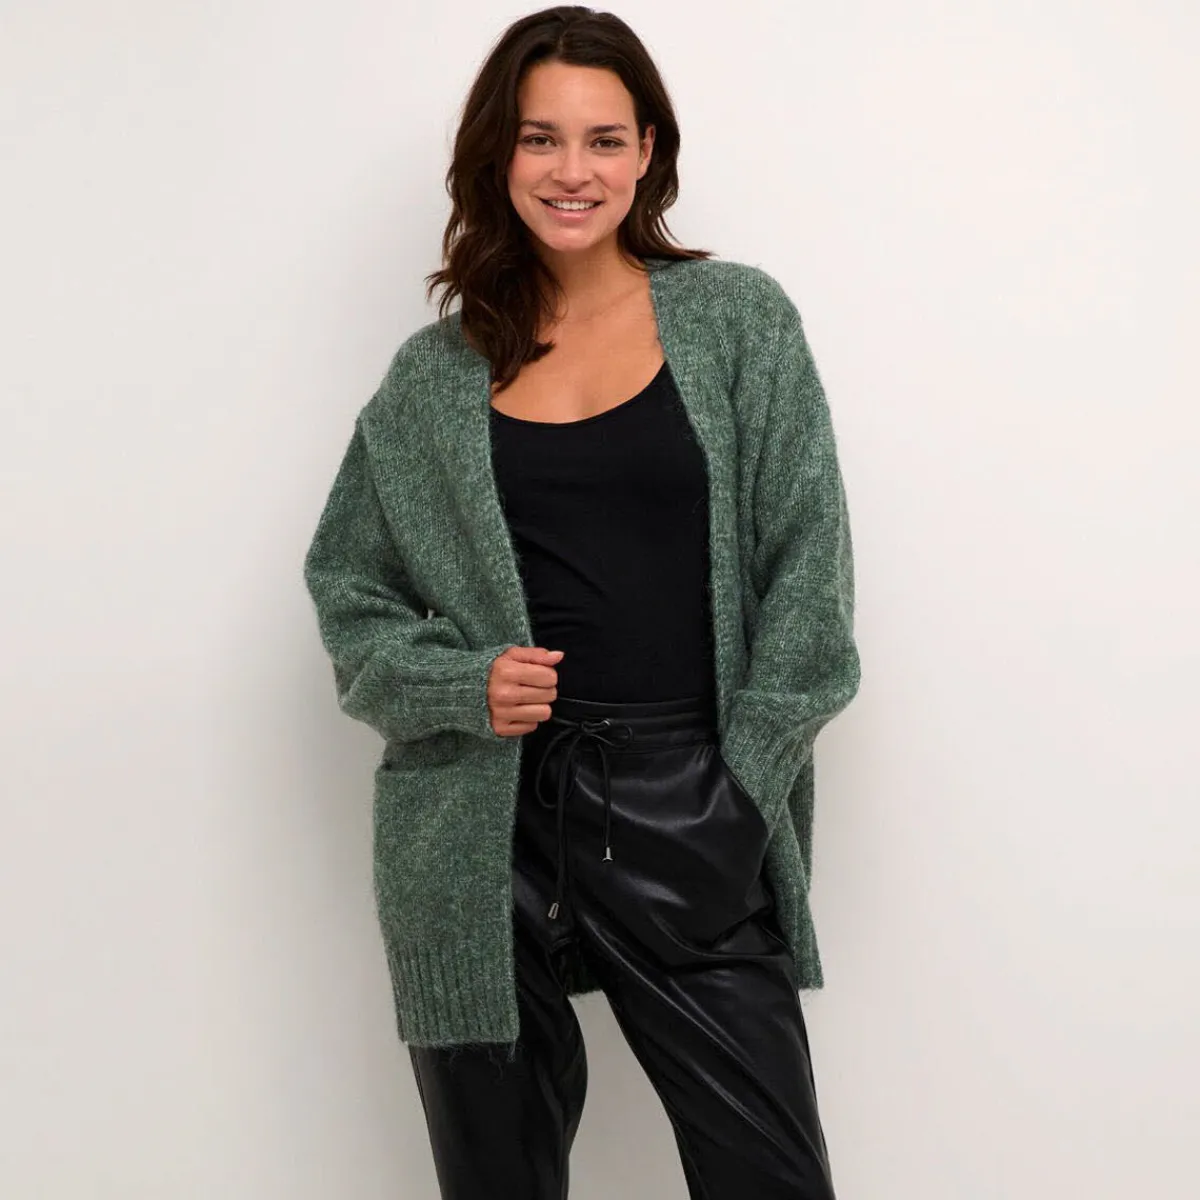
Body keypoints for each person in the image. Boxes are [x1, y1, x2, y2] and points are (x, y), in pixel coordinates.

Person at [302, 7, 861, 1198]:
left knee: (769, 1173)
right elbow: (350, 589)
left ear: (648, 150)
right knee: (498, 1177)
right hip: (480, 825)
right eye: (540, 138)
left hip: (685, 797)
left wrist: (741, 794)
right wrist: (460, 684)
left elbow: (809, 587)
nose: (573, 170)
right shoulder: (433, 376)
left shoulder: (737, 322)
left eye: (604, 139)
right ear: (498, 155)